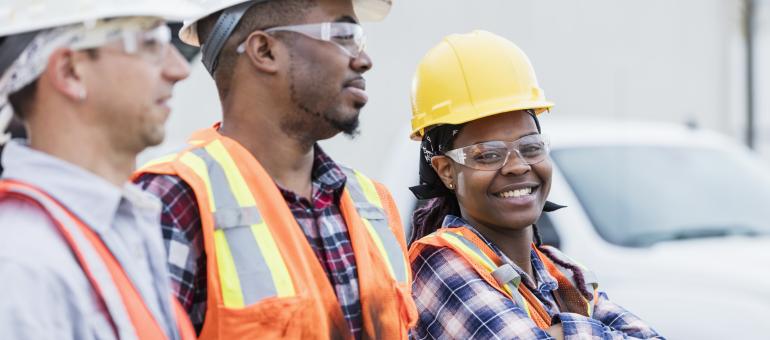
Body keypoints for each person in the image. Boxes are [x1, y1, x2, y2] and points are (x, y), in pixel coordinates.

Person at [133, 0, 417, 339]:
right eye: (343, 34)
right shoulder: (175, 202)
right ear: (265, 51)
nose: (363, 60)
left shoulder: (373, 205)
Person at [407, 30, 665, 340]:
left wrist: (563, 333)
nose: (517, 166)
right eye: (489, 154)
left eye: (531, 147)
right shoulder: (440, 266)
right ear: (446, 171)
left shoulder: (563, 273)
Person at [0, 1, 201, 339]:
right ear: (70, 71)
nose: (179, 69)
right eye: (150, 42)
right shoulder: (21, 264)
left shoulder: (122, 224)